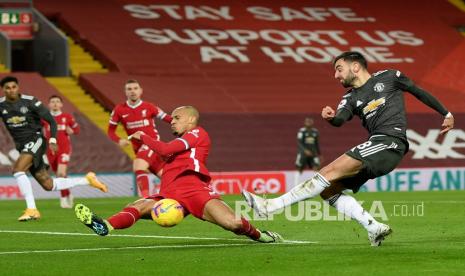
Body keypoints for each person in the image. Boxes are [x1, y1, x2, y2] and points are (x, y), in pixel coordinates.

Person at [242, 51, 454, 246]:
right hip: (379, 146)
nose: (336, 75)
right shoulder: (350, 98)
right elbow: (340, 119)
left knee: (326, 173)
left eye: (339, 68)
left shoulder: (390, 77)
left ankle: (270, 206)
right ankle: (373, 227)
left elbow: (417, 91)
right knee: (328, 190)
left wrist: (446, 114)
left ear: (355, 67)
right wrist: (332, 117)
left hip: (389, 142)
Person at [76, 106, 282, 243]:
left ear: (191, 119)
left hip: (193, 188)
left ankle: (262, 236)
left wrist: (143, 136)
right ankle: (106, 226)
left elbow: (164, 150)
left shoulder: (198, 133)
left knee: (233, 223)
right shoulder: (180, 144)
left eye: (177, 118)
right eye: (172, 118)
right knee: (137, 206)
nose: (172, 121)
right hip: (169, 192)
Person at [0, 76, 108, 221]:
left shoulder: (30, 101)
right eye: (7, 88)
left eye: (14, 87)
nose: (11, 90)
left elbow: (51, 121)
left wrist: (52, 139)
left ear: (18, 87)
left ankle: (32, 209)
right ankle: (87, 180)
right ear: (3, 90)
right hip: (21, 146)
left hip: (35, 140)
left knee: (18, 170)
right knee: (48, 184)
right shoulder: (1, 105)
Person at [107, 80, 171, 197]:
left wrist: (182, 122)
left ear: (141, 91)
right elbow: (110, 131)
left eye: (135, 88)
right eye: (129, 89)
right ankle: (188, 195)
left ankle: (145, 199)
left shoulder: (149, 107)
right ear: (125, 92)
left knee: (139, 166)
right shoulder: (119, 109)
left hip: (151, 142)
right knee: (166, 177)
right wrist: (119, 140)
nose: (133, 91)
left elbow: (167, 118)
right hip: (137, 147)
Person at [42, 95, 80, 208]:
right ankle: (68, 194)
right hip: (50, 150)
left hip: (64, 149)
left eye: (57, 101)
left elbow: (77, 129)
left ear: (61, 104)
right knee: (59, 176)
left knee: (61, 173)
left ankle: (63, 199)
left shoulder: (67, 117)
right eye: (52, 101)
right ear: (49, 104)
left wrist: (71, 130)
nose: (55, 103)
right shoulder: (45, 118)